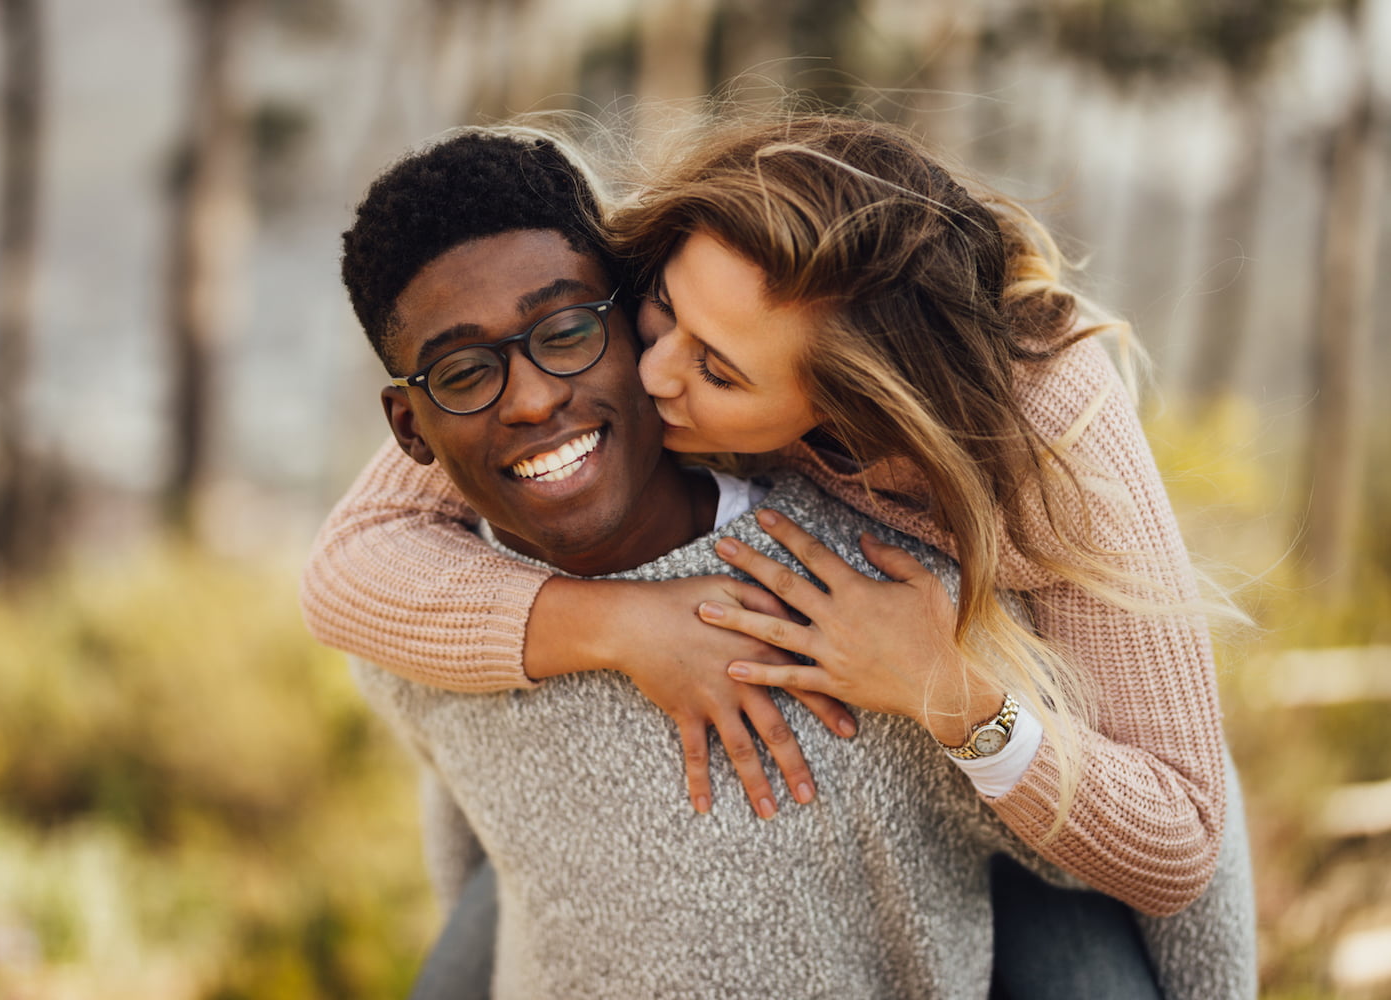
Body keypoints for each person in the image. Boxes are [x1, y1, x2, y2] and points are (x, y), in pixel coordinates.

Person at [327, 126, 1246, 999]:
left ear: (846, 400)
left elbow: (1183, 842)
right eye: (661, 320)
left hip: (1048, 766)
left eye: (718, 373)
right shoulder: (652, 288)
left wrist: (944, 690)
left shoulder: (1046, 436)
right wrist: (627, 625)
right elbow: (355, 557)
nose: (650, 376)